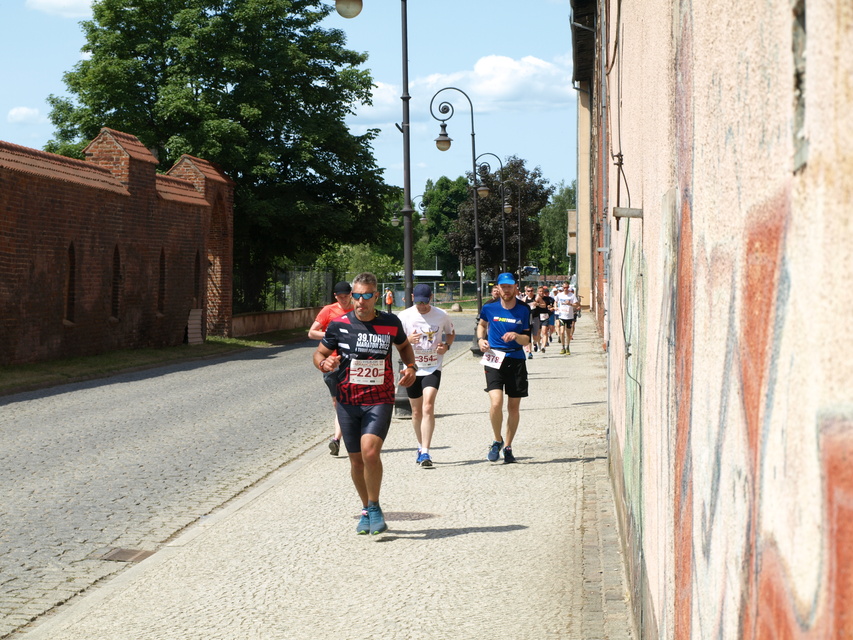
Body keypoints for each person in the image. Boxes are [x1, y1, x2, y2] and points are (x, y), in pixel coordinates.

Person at [313, 272, 417, 535]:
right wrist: (324, 363)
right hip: (347, 400)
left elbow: (404, 346)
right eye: (356, 296)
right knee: (356, 461)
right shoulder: (338, 325)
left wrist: (411, 367)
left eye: (367, 295)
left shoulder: (390, 322)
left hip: (379, 398)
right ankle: (366, 508)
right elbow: (319, 354)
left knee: (370, 452)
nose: (361, 301)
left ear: (376, 296)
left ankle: (375, 506)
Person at [397, 284, 456, 468]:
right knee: (416, 412)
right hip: (412, 367)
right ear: (412, 298)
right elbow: (396, 341)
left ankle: (426, 451)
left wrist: (446, 346)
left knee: (428, 405)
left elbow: (450, 333)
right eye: (418, 302)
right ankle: (420, 445)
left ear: (431, 298)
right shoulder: (404, 316)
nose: (421, 306)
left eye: (425, 302)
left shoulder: (441, 315)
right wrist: (408, 340)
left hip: (432, 367)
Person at [476, 272, 531, 464]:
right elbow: (482, 325)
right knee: (496, 403)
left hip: (516, 357)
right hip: (494, 357)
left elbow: (527, 339)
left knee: (513, 407)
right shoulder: (489, 307)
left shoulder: (524, 309)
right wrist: (481, 339)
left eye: (509, 286)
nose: (506, 290)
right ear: (498, 288)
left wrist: (516, 336)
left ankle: (508, 446)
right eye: (503, 286)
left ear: (515, 287)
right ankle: (496, 440)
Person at [308, 281, 354, 456]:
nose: (343, 300)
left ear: (351, 294)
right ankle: (341, 437)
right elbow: (311, 332)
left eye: (346, 296)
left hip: (352, 362)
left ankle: (337, 439)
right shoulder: (328, 310)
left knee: (349, 401)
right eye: (340, 297)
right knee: (338, 402)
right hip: (331, 361)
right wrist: (331, 334)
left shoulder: (357, 309)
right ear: (335, 296)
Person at [555, 282, 580, 354]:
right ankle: (562, 347)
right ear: (562, 288)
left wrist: (570, 304)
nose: (565, 289)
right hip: (561, 316)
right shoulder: (559, 295)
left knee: (568, 333)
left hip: (569, 316)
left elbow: (577, 305)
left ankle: (568, 347)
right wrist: (555, 307)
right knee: (562, 332)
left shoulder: (572, 295)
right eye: (564, 287)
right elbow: (555, 301)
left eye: (567, 287)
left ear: (568, 287)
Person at [521, 285, 539, 359]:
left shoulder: (537, 297)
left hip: (535, 318)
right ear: (526, 292)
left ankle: (535, 343)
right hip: (527, 319)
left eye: (531, 291)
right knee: (528, 336)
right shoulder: (524, 299)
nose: (530, 292)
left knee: (535, 335)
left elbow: (544, 305)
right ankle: (530, 352)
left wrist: (537, 304)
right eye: (528, 291)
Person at [536, 285, 555, 353]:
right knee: (538, 333)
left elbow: (553, 306)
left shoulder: (548, 299)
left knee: (544, 331)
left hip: (545, 317)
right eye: (540, 291)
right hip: (537, 317)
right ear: (537, 292)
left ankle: (543, 346)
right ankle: (539, 345)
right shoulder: (535, 299)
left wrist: (551, 307)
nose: (541, 293)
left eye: (542, 291)